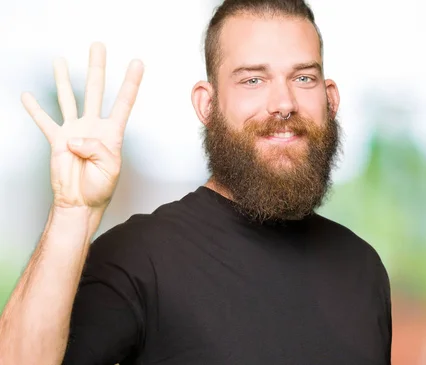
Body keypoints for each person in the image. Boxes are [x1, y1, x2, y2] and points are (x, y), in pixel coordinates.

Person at [0, 0, 392, 364]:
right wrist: (71, 213)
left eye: (303, 77)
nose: (284, 103)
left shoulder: (364, 270)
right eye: (253, 80)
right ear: (207, 104)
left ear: (330, 99)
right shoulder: (140, 256)